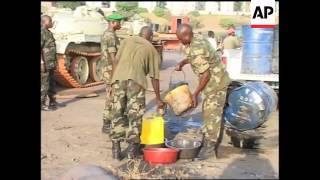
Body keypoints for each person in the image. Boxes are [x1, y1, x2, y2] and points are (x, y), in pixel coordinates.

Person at [107, 26, 164, 160]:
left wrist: (111, 83)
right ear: (150, 37)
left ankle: (116, 149)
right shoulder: (152, 49)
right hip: (136, 82)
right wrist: (158, 98)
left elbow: (115, 61)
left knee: (117, 113)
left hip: (118, 80)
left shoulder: (126, 41)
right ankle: (132, 151)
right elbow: (154, 77)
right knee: (135, 115)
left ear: (139, 33)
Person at [174, 24, 231, 159]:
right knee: (207, 112)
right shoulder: (196, 39)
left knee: (212, 116)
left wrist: (195, 94)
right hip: (213, 83)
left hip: (216, 84)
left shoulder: (197, 48)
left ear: (187, 35)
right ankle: (207, 141)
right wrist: (183, 62)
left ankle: (209, 150)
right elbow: (193, 58)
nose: (180, 41)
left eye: (180, 38)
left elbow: (205, 75)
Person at [101, 12, 124, 134]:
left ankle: (109, 122)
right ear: (113, 23)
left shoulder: (111, 34)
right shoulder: (110, 36)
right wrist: (114, 76)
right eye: (119, 22)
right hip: (111, 71)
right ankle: (106, 124)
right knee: (111, 97)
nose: (120, 24)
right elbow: (113, 58)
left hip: (111, 70)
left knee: (113, 97)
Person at [41, 15, 59, 111]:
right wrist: (41, 63)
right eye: (50, 21)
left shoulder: (48, 33)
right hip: (45, 63)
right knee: (45, 84)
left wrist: (56, 63)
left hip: (51, 63)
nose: (52, 22)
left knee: (51, 83)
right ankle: (42, 104)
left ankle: (52, 101)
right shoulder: (42, 32)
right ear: (45, 22)